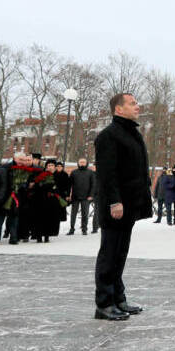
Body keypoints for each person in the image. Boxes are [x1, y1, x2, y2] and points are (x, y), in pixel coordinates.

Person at [93, 92, 152, 321]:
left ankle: (118, 298)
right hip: (115, 206)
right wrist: (114, 202)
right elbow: (108, 174)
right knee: (109, 254)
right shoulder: (109, 135)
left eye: (137, 103)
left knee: (120, 253)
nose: (138, 106)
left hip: (129, 205)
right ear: (118, 109)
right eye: (132, 103)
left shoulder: (131, 133)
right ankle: (104, 304)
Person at [68, 158, 97, 235]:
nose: (82, 163)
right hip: (75, 196)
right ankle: (72, 229)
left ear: (86, 163)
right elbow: (69, 185)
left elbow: (93, 185)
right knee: (73, 214)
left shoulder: (90, 173)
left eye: (83, 162)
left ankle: (84, 229)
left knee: (85, 214)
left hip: (86, 197)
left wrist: (91, 195)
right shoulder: (74, 172)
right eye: (80, 162)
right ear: (78, 163)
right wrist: (69, 195)